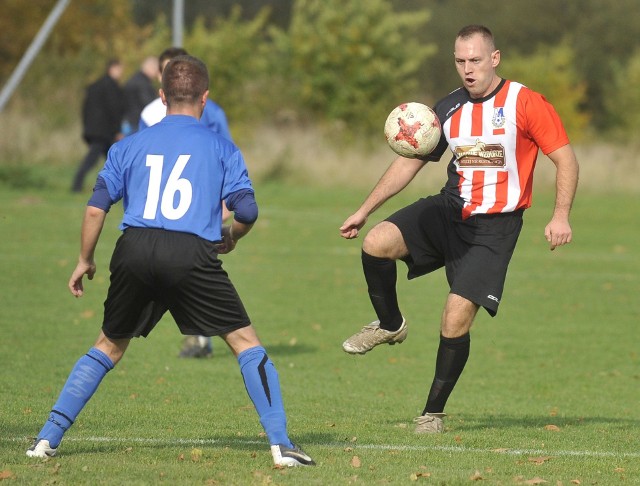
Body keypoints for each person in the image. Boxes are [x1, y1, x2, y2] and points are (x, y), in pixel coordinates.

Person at [26, 55, 315, 467]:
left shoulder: (127, 146)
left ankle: (45, 439)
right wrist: (231, 236)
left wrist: (84, 259)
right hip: (190, 254)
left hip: (134, 248)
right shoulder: (221, 147)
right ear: (205, 98)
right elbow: (247, 210)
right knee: (245, 344)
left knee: (108, 345)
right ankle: (282, 445)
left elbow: (95, 210)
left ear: (162, 97)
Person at [339, 24, 579, 434]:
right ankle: (390, 324)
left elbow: (566, 160)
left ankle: (432, 414)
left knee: (454, 318)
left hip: (495, 228)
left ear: (495, 58)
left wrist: (560, 215)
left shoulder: (526, 103)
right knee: (377, 242)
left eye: (475, 60)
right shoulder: (448, 107)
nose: (467, 69)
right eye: (460, 61)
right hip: (451, 208)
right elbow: (410, 161)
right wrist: (364, 209)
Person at [139, 46, 234, 359]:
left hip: (199, 201)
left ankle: (200, 337)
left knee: (192, 267)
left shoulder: (212, 112)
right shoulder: (149, 114)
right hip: (159, 209)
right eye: (169, 71)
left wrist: (223, 200)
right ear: (160, 79)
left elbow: (226, 154)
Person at [71, 59, 126, 193]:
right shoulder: (111, 87)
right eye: (119, 69)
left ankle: (121, 187)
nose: (121, 72)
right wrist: (117, 130)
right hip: (104, 131)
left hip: (94, 129)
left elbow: (85, 109)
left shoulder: (94, 86)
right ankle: (77, 185)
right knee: (100, 159)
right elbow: (114, 110)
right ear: (112, 68)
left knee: (111, 159)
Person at [122, 56, 159, 135]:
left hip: (128, 119)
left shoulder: (133, 79)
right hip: (138, 121)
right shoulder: (143, 83)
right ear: (151, 68)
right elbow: (148, 102)